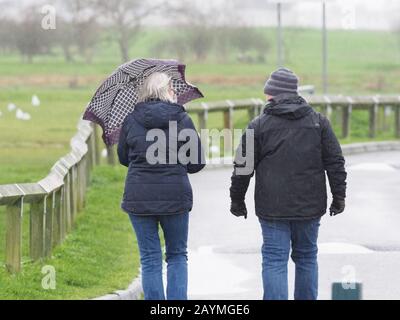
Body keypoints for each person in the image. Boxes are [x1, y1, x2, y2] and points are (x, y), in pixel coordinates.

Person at [229, 67, 347, 300]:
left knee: (274, 260)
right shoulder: (318, 123)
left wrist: (237, 199)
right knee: (306, 257)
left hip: (272, 206)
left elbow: (242, 168)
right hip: (310, 206)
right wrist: (339, 196)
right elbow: (335, 162)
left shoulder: (258, 125)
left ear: (272, 94)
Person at [117, 72, 205, 300]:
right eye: (173, 89)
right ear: (167, 92)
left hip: (139, 196)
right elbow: (197, 163)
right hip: (175, 196)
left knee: (150, 258)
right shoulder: (182, 120)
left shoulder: (130, 120)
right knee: (177, 255)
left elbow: (124, 158)